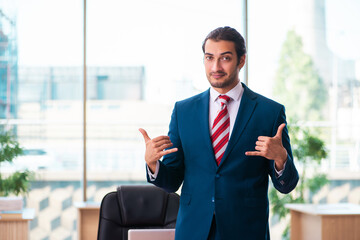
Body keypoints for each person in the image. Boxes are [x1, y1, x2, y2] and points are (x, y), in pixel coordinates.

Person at [139, 26, 299, 240]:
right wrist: (152, 164)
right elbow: (172, 181)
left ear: (241, 60)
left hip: (247, 231)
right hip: (194, 231)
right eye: (209, 58)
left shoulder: (269, 112)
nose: (215, 66)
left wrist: (281, 158)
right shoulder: (183, 111)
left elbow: (287, 185)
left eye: (225, 58)